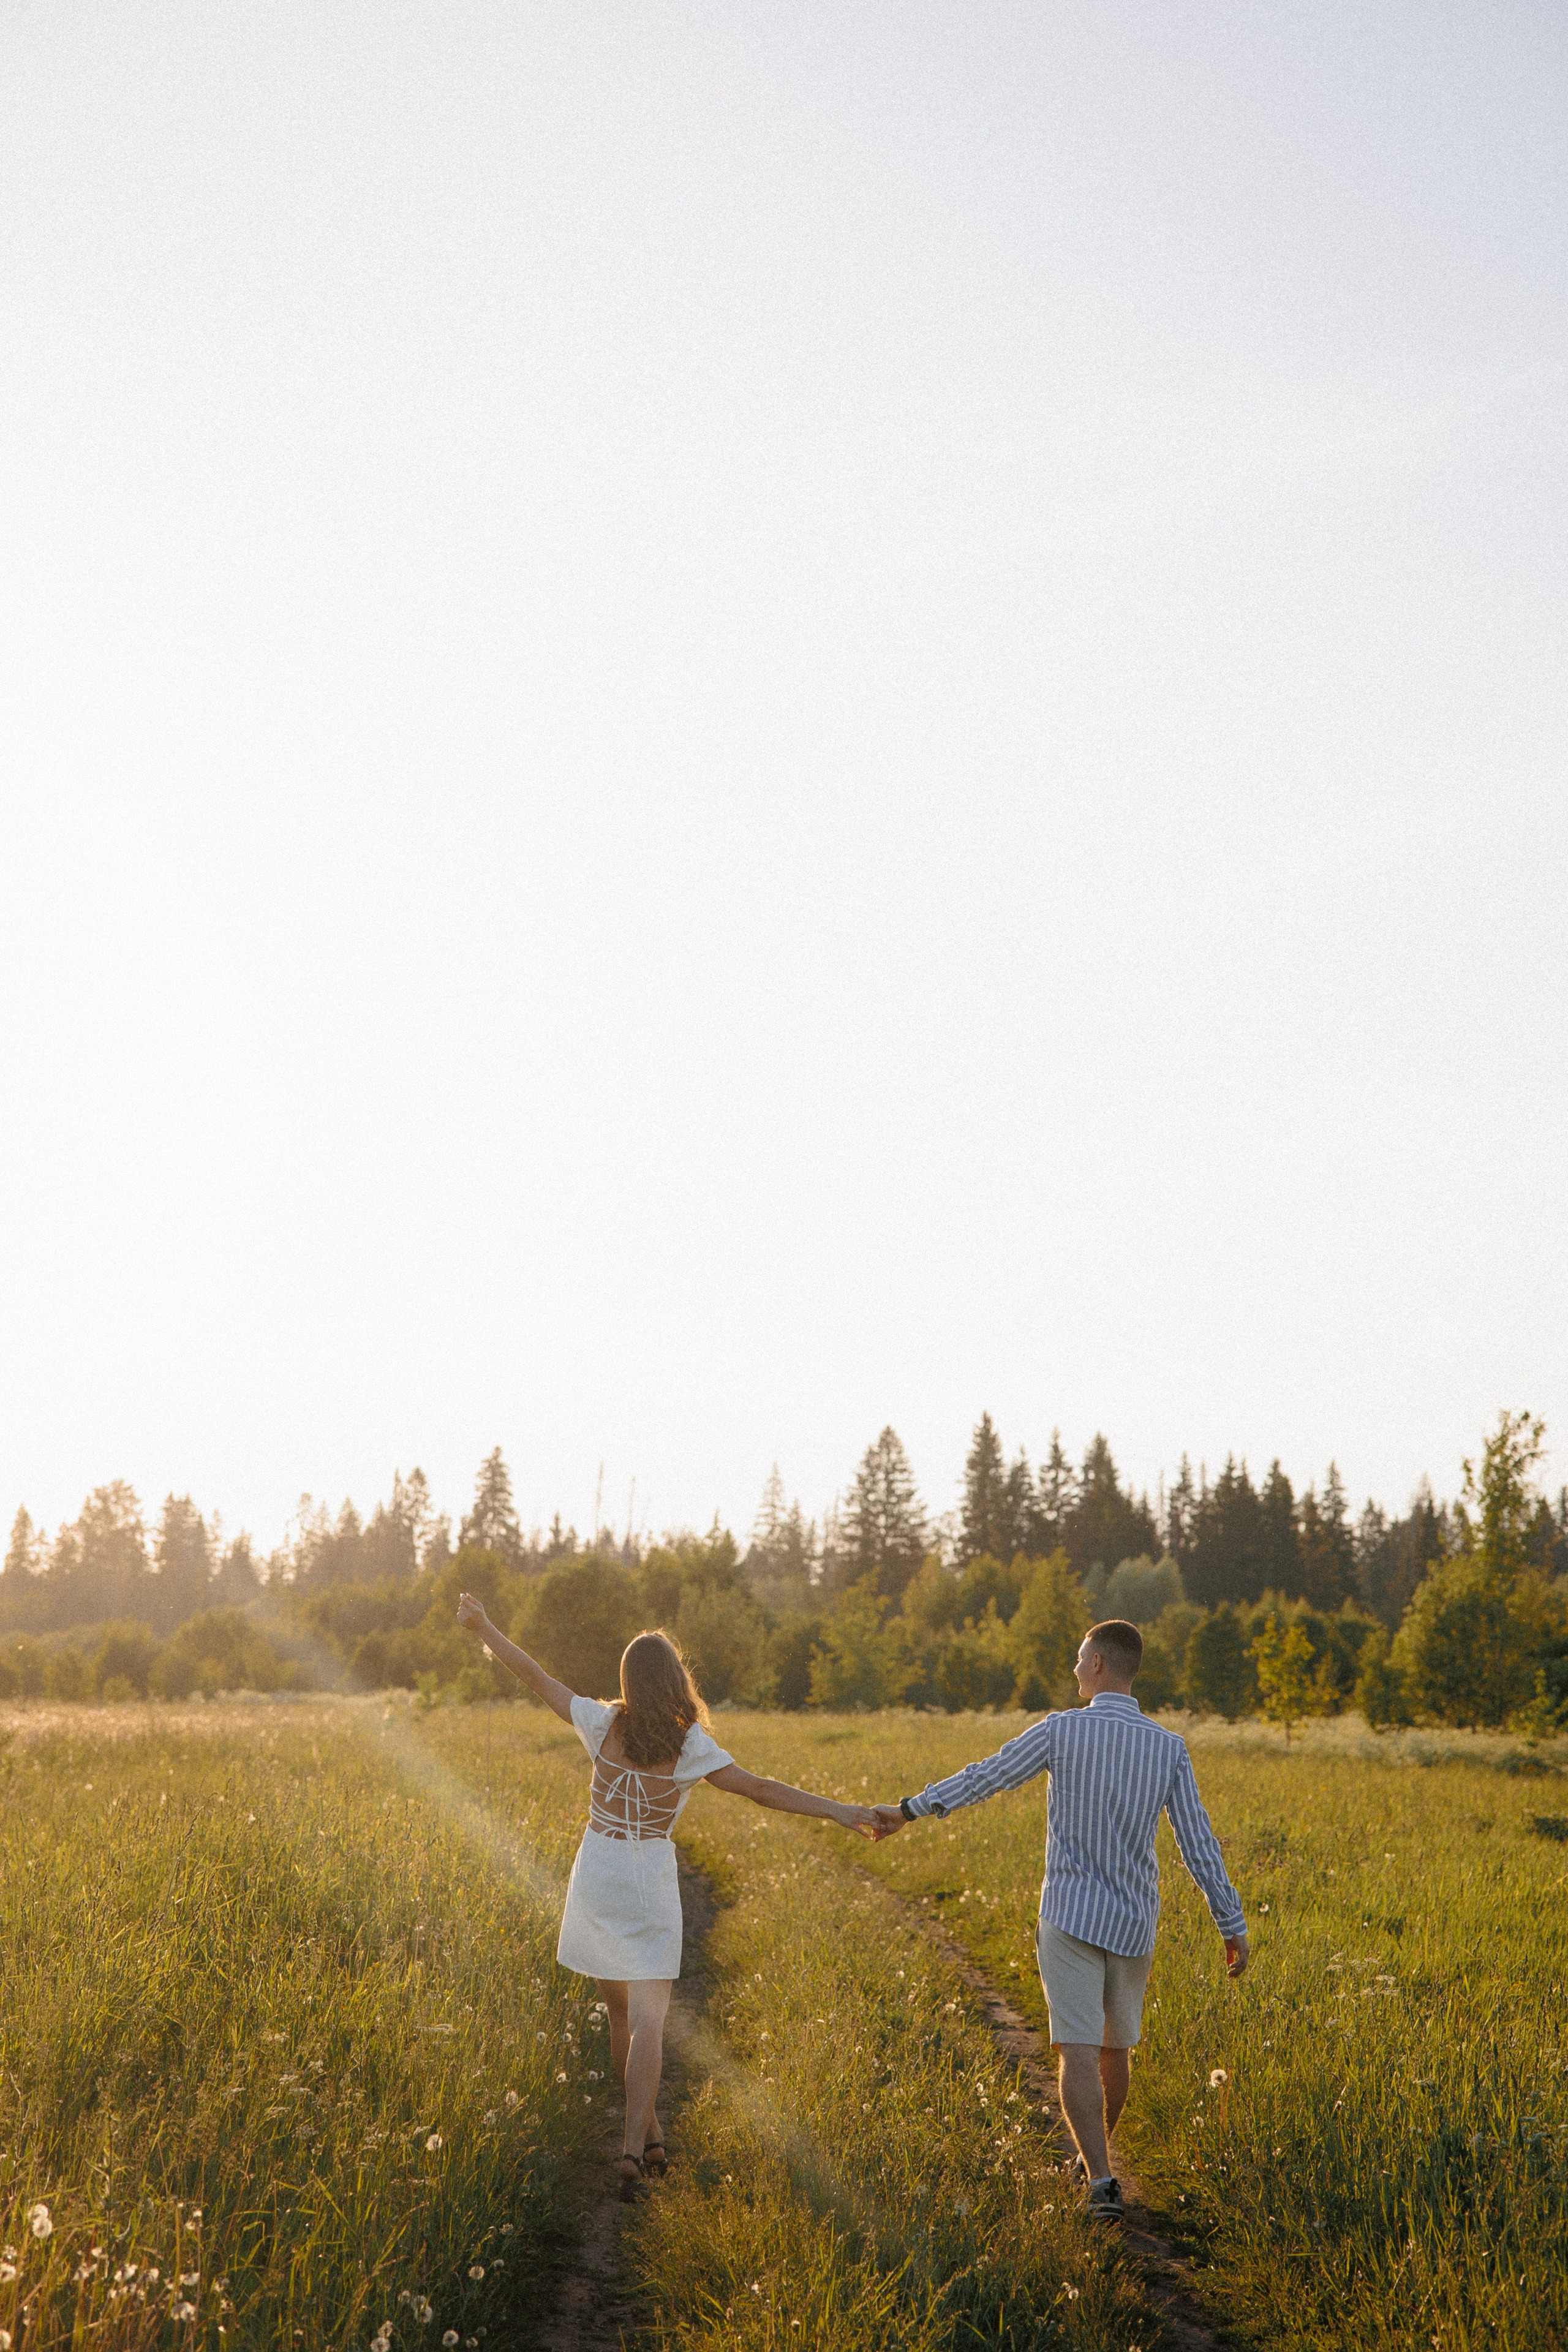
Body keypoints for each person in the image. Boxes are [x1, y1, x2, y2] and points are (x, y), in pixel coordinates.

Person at [456, 1593, 878, 2196]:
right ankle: (635, 2144)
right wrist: (841, 1811)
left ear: (629, 1679)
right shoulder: (689, 1745)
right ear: (677, 1681)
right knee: (650, 2017)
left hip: (598, 1876)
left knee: (620, 2011)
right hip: (647, 1882)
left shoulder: (603, 1723)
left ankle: (647, 2137)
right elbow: (760, 1789)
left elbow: (533, 1674)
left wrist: (487, 1626)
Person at [870, 1616, 1247, 2223]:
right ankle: (1095, 2163)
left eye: (1079, 1659)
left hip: (1069, 1915)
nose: (1074, 1669)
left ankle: (1098, 2180)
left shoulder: (1060, 1731)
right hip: (1132, 1922)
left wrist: (909, 1810)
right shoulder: (1168, 1747)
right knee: (1113, 2049)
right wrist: (1232, 1924)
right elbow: (1198, 1844)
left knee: (1076, 2052)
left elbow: (985, 1777)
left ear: (1098, 1664)